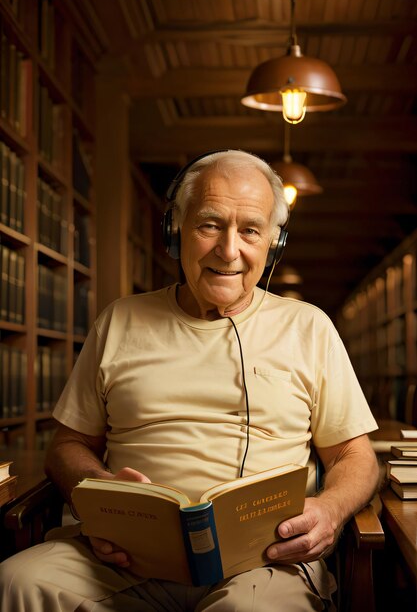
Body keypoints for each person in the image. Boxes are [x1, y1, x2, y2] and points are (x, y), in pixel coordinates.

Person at [0, 149, 379, 611]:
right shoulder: (119, 320)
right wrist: (98, 497)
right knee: (16, 580)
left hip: (263, 562)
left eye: (250, 230)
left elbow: (354, 455)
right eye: (210, 225)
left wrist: (330, 510)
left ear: (273, 245)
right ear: (176, 231)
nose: (229, 250)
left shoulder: (310, 327)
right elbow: (66, 446)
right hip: (122, 558)